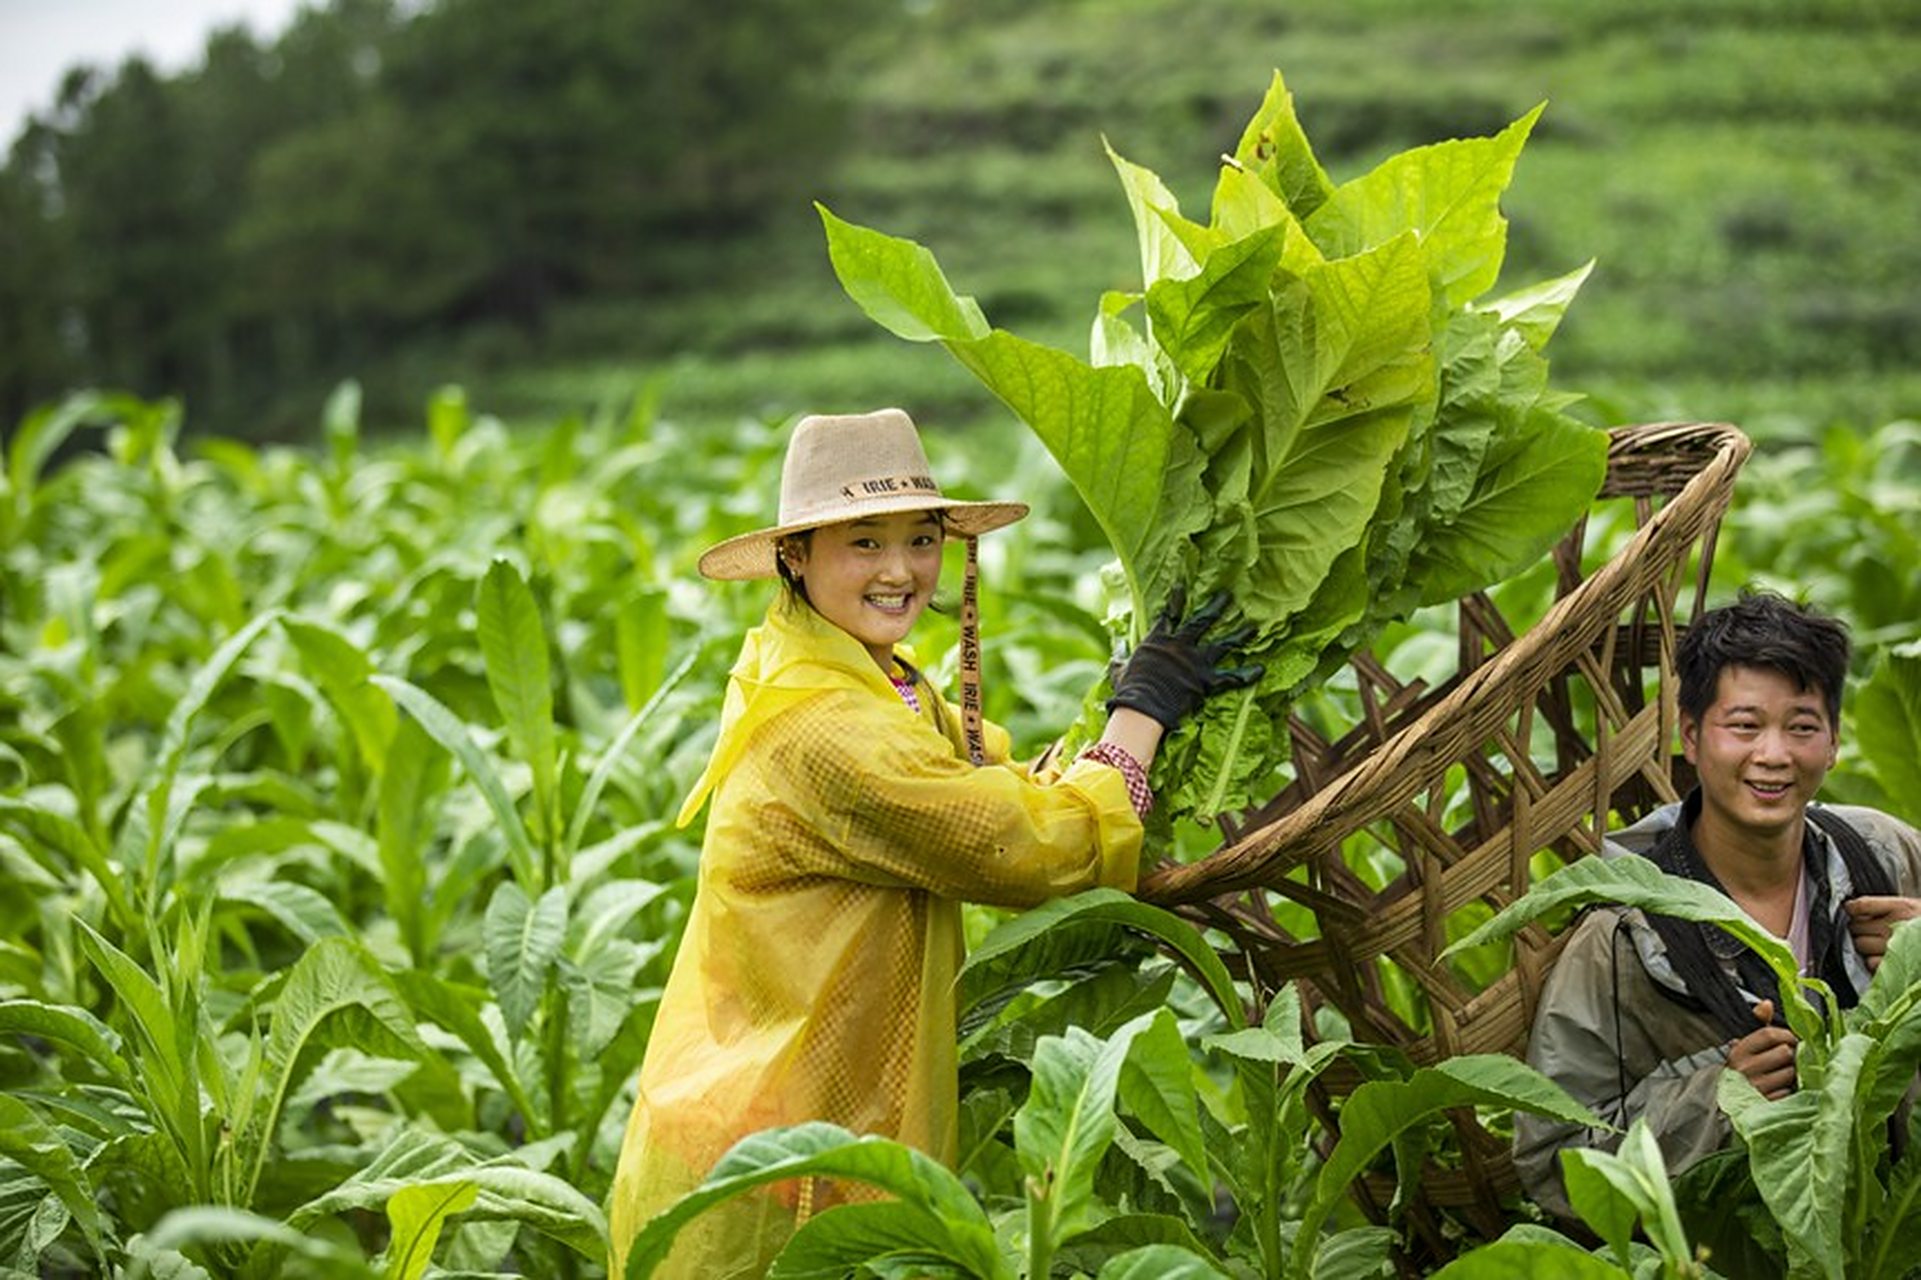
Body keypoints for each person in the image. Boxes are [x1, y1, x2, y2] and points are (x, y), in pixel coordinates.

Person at [606, 407, 1259, 1278]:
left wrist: (1106, 736)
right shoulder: (823, 723)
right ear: (794, 557)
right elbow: (1024, 844)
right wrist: (1140, 714)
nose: (903, 570)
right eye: (864, 544)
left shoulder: (865, 675)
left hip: (810, 1110)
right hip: (765, 1152)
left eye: (921, 539)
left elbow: (992, 777)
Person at [1514, 590, 1921, 1221]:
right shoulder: (1624, 934)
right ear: (1693, 736)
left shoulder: (1885, 854)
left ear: (1834, 742)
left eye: (1802, 726)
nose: (1774, 755)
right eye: (1745, 725)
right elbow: (1557, 1162)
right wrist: (1717, 1096)